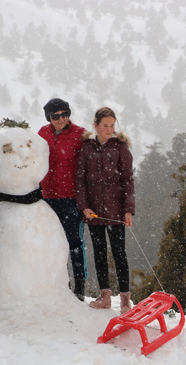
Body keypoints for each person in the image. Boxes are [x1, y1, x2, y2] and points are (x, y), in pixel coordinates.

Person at [75, 107, 135, 314]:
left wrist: (128, 210)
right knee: (99, 253)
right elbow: (80, 180)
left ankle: (125, 298)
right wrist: (84, 206)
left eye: (112, 125)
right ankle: (105, 296)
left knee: (119, 253)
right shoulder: (86, 148)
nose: (109, 129)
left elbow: (128, 180)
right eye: (104, 125)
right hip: (93, 212)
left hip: (116, 210)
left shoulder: (120, 147)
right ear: (96, 125)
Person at [38, 98, 88, 301]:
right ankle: (58, 284)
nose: (61, 119)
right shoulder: (43, 133)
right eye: (56, 116)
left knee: (74, 242)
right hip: (47, 197)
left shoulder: (79, 134)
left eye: (65, 114)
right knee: (51, 243)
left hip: (71, 197)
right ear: (48, 118)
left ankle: (79, 286)